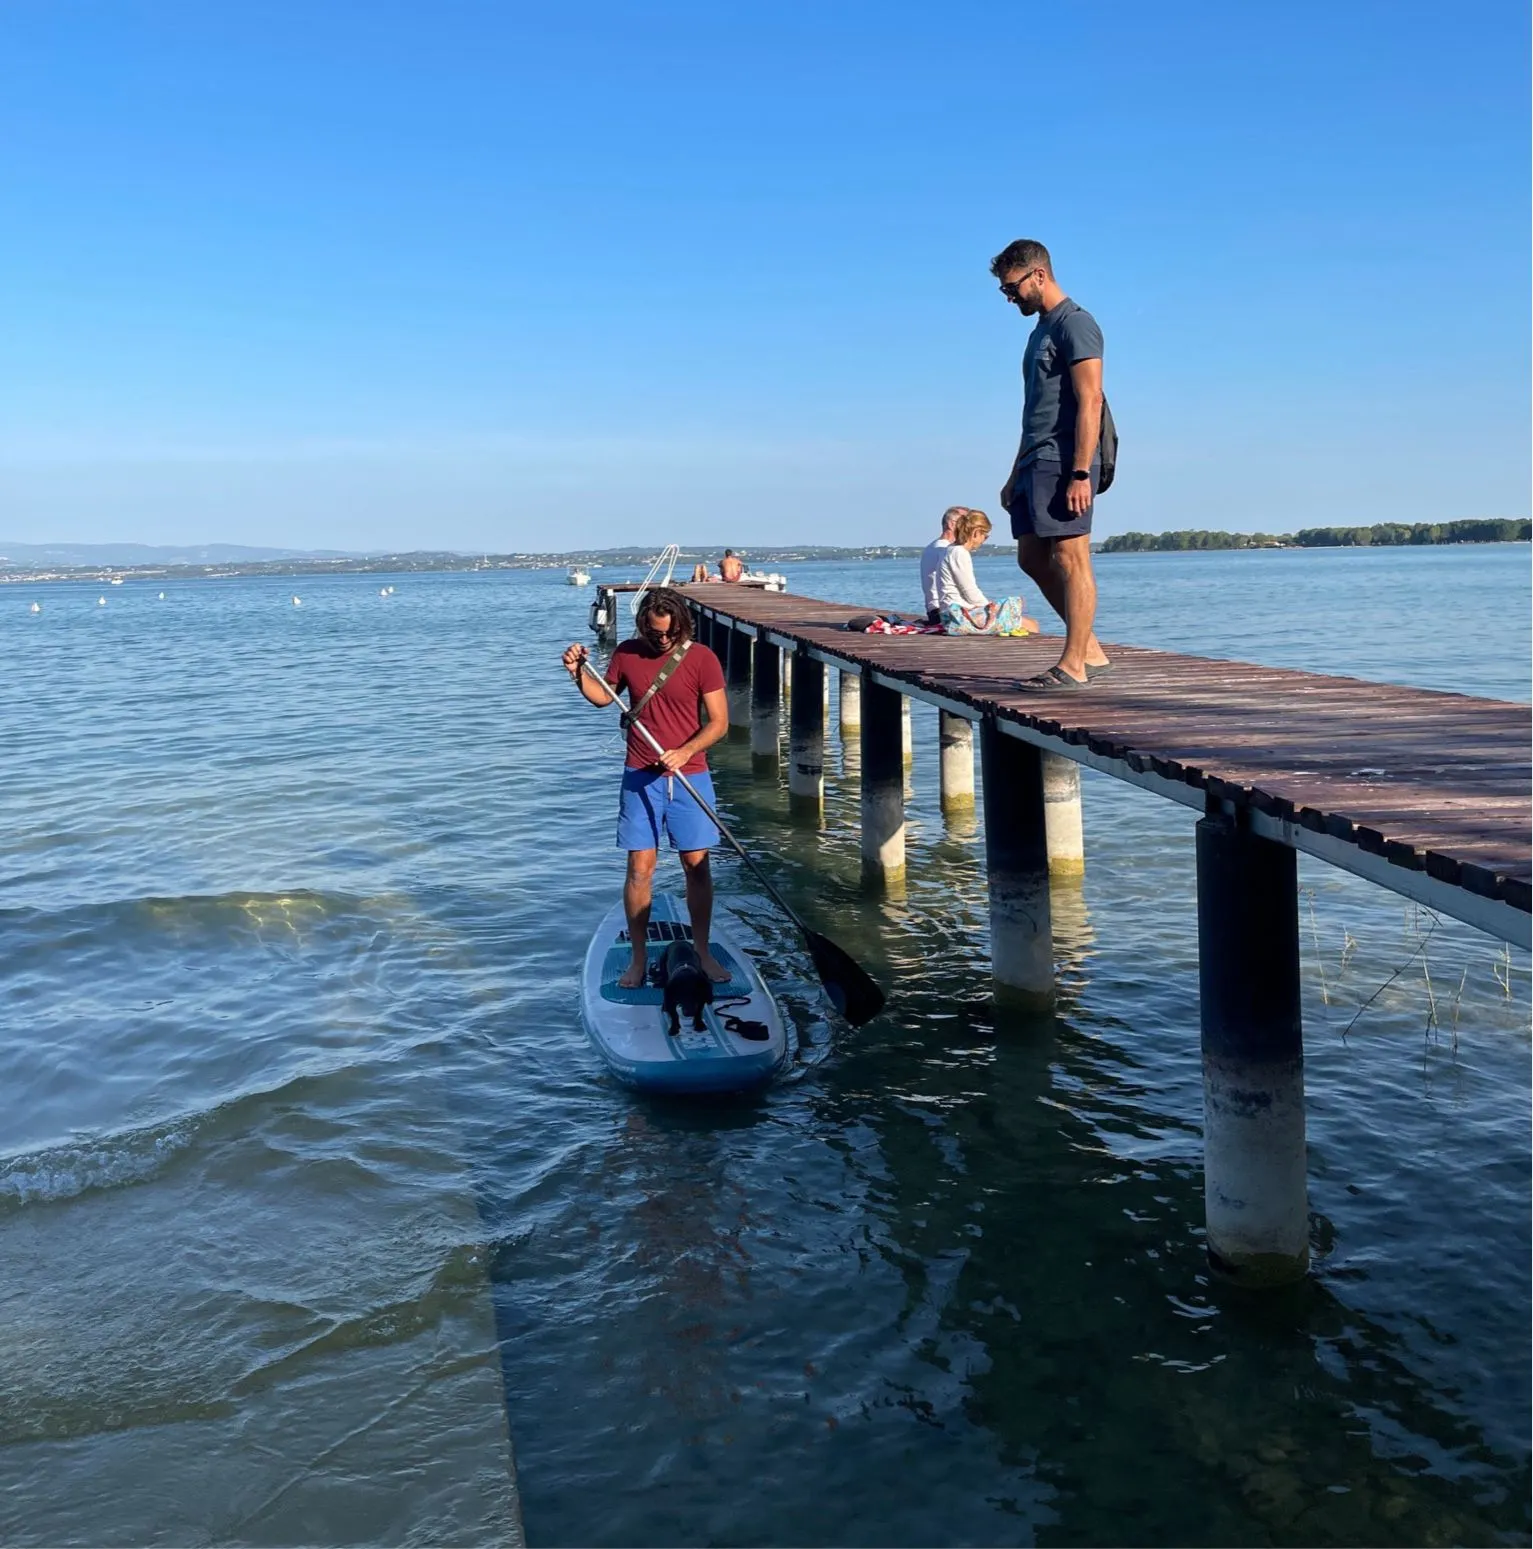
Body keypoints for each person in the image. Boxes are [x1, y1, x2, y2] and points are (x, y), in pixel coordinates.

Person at [561, 586, 732, 988]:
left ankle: (703, 951)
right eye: (655, 634)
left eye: (669, 633)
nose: (662, 640)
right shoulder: (627, 653)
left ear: (682, 624)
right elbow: (604, 699)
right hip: (640, 775)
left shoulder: (701, 659)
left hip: (690, 774)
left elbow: (719, 723)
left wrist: (684, 750)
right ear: (643, 625)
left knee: (697, 865)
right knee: (640, 868)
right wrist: (577, 674)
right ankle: (637, 960)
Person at [991, 238, 1113, 690]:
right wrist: (1014, 471)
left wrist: (1081, 471)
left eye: (1012, 287)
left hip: (1065, 458)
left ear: (1038, 275)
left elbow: (1090, 400)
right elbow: (1034, 408)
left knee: (1070, 555)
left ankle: (1074, 664)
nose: (1010, 297)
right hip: (1033, 460)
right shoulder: (1040, 329)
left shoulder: (1076, 324)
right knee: (1030, 557)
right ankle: (1091, 647)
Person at [935, 510, 1039, 636]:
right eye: (985, 536)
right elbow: (969, 591)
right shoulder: (959, 553)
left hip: (952, 614)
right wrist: (991, 608)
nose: (984, 540)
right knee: (1031, 625)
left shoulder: (950, 550)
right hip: (960, 616)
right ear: (976, 533)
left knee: (1018, 614)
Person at [920, 505, 969, 624]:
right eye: (965, 523)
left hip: (935, 611)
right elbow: (964, 588)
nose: (969, 528)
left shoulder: (932, 547)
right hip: (946, 613)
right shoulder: (945, 550)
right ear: (951, 524)